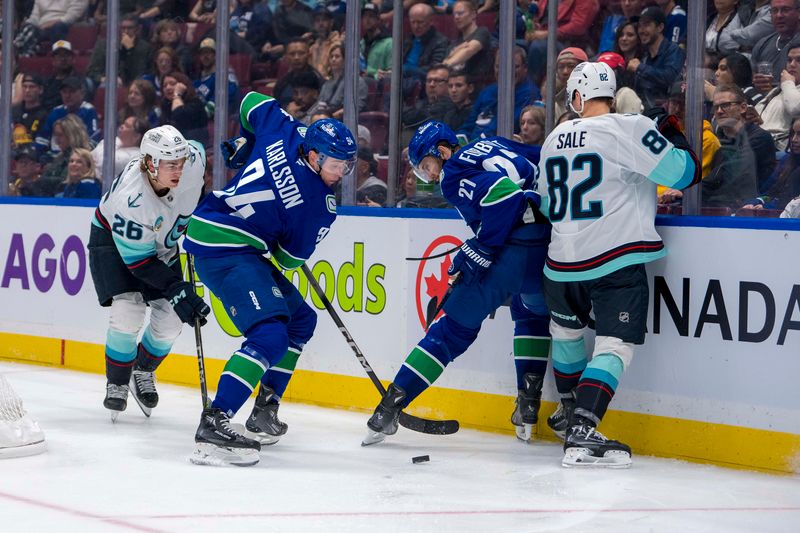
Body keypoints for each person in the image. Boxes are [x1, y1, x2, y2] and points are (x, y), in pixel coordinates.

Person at [536, 62, 700, 467]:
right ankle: (583, 430)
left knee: (567, 334)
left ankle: (569, 412)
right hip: (614, 258)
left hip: (560, 262)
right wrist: (672, 130)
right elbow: (685, 174)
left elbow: (542, 202)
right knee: (614, 345)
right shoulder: (629, 126)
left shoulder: (555, 135)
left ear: (576, 97)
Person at [183, 92, 357, 467]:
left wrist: (247, 141)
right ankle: (215, 421)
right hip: (223, 246)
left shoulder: (285, 128)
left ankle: (265, 408)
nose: (342, 173)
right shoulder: (319, 207)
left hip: (219, 231)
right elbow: (286, 259)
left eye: (347, 165)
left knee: (301, 321)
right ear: (314, 156)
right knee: (270, 334)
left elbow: (248, 101)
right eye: (337, 165)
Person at [364, 120, 552, 446]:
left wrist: (482, 248)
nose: (431, 176)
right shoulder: (494, 143)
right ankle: (528, 407)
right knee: (531, 312)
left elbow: (503, 196)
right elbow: (544, 158)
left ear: (442, 150)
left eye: (428, 165)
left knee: (451, 331)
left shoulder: (453, 174)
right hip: (546, 247)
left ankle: (388, 409)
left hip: (511, 250)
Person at [89, 125, 209, 419]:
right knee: (128, 310)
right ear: (149, 163)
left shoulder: (192, 160)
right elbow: (141, 263)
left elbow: (197, 146)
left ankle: (142, 370)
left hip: (160, 243)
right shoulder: (133, 199)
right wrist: (176, 287)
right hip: (115, 243)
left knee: (171, 320)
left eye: (180, 162)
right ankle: (117, 381)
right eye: (170, 164)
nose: (178, 169)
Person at [631, 6, 686, 108]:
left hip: (668, 115)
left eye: (646, 25)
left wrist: (640, 68)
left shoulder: (674, 50)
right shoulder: (644, 57)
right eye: (639, 26)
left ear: (660, 27)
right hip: (647, 113)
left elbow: (670, 78)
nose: (641, 30)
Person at [36, 76, 101, 153]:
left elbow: (93, 140)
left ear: (82, 93)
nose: (67, 95)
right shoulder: (56, 111)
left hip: (77, 157)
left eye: (72, 91)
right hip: (54, 157)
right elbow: (43, 138)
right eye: (64, 92)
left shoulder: (88, 111)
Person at [756, 44, 800, 150]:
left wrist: (788, 82)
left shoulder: (787, 85)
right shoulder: (778, 90)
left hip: (778, 146)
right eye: (789, 60)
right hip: (758, 140)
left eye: (799, 60)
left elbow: (795, 108)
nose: (792, 65)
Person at [87, 15, 152, 87]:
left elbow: (139, 72)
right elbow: (92, 71)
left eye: (130, 28)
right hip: (107, 82)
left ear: (137, 29)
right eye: (123, 28)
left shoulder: (145, 47)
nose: (126, 31)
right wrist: (104, 79)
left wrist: (130, 49)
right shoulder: (104, 45)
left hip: (133, 84)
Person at [192, 38, 240, 118]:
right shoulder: (197, 82)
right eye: (202, 53)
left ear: (216, 55)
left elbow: (226, 97)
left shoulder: (224, 76)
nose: (205, 56)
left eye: (208, 52)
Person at [11, 73, 48, 147]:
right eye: (24, 86)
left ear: (40, 90)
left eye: (32, 87)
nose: (27, 90)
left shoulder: (44, 115)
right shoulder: (14, 111)